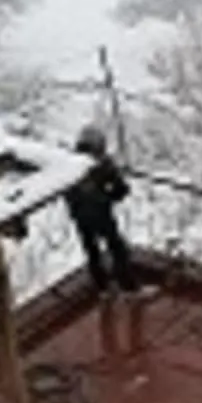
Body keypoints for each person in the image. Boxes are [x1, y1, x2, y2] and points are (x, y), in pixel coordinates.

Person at [64, 123, 143, 295]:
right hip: (100, 212)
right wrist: (108, 197)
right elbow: (121, 189)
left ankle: (103, 288)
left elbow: (67, 192)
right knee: (117, 248)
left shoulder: (69, 164)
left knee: (92, 251)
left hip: (79, 216)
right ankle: (129, 287)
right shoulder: (102, 163)